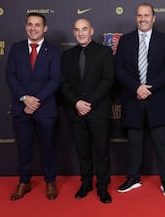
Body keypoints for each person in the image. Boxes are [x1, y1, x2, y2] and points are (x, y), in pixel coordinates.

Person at [115, 3, 165, 197]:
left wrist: (149, 88)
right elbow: (119, 69)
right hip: (133, 99)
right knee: (134, 142)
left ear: (154, 18)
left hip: (157, 99)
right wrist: (136, 88)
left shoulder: (164, 40)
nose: (143, 18)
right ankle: (133, 178)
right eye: (139, 15)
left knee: (161, 144)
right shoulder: (125, 40)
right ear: (135, 18)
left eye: (146, 15)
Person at [6, 12, 60, 201]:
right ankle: (24, 181)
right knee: (24, 147)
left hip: (45, 108)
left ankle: (50, 181)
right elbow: (11, 76)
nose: (33, 28)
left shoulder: (53, 51)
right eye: (30, 24)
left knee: (48, 147)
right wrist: (24, 98)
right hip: (22, 108)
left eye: (38, 25)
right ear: (25, 27)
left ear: (45, 28)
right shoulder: (16, 48)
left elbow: (54, 80)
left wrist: (35, 100)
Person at [60, 18, 114, 204]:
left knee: (101, 152)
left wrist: (88, 102)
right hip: (76, 112)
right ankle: (86, 184)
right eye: (77, 30)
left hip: (97, 111)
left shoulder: (104, 52)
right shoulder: (67, 55)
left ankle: (103, 186)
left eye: (84, 29)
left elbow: (108, 80)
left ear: (92, 31)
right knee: (82, 152)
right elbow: (64, 84)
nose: (80, 33)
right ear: (74, 32)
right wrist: (77, 103)